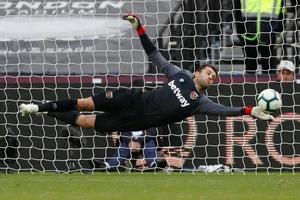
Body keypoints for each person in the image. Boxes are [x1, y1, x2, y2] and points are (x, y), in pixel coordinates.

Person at [19, 14, 275, 136]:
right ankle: (37, 106)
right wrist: (139, 28)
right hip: (131, 99)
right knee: (85, 103)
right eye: (208, 73)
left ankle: (44, 111)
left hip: (134, 122)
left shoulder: (200, 102)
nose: (211, 78)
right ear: (197, 72)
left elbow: (224, 110)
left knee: (84, 122)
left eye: (213, 78)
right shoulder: (180, 75)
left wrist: (249, 110)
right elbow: (155, 56)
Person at [234, 0, 284, 74]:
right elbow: (237, 10)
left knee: (268, 68)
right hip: (248, 34)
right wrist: (240, 31)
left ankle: (269, 85)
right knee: (250, 68)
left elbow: (282, 10)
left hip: (269, 34)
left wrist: (277, 30)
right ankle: (250, 85)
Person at [90, 126, 167, 171]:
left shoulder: (152, 112)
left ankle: (153, 164)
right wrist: (130, 141)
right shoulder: (126, 112)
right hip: (129, 141)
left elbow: (155, 130)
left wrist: (139, 141)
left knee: (149, 145)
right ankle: (108, 166)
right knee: (122, 150)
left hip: (146, 139)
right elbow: (121, 130)